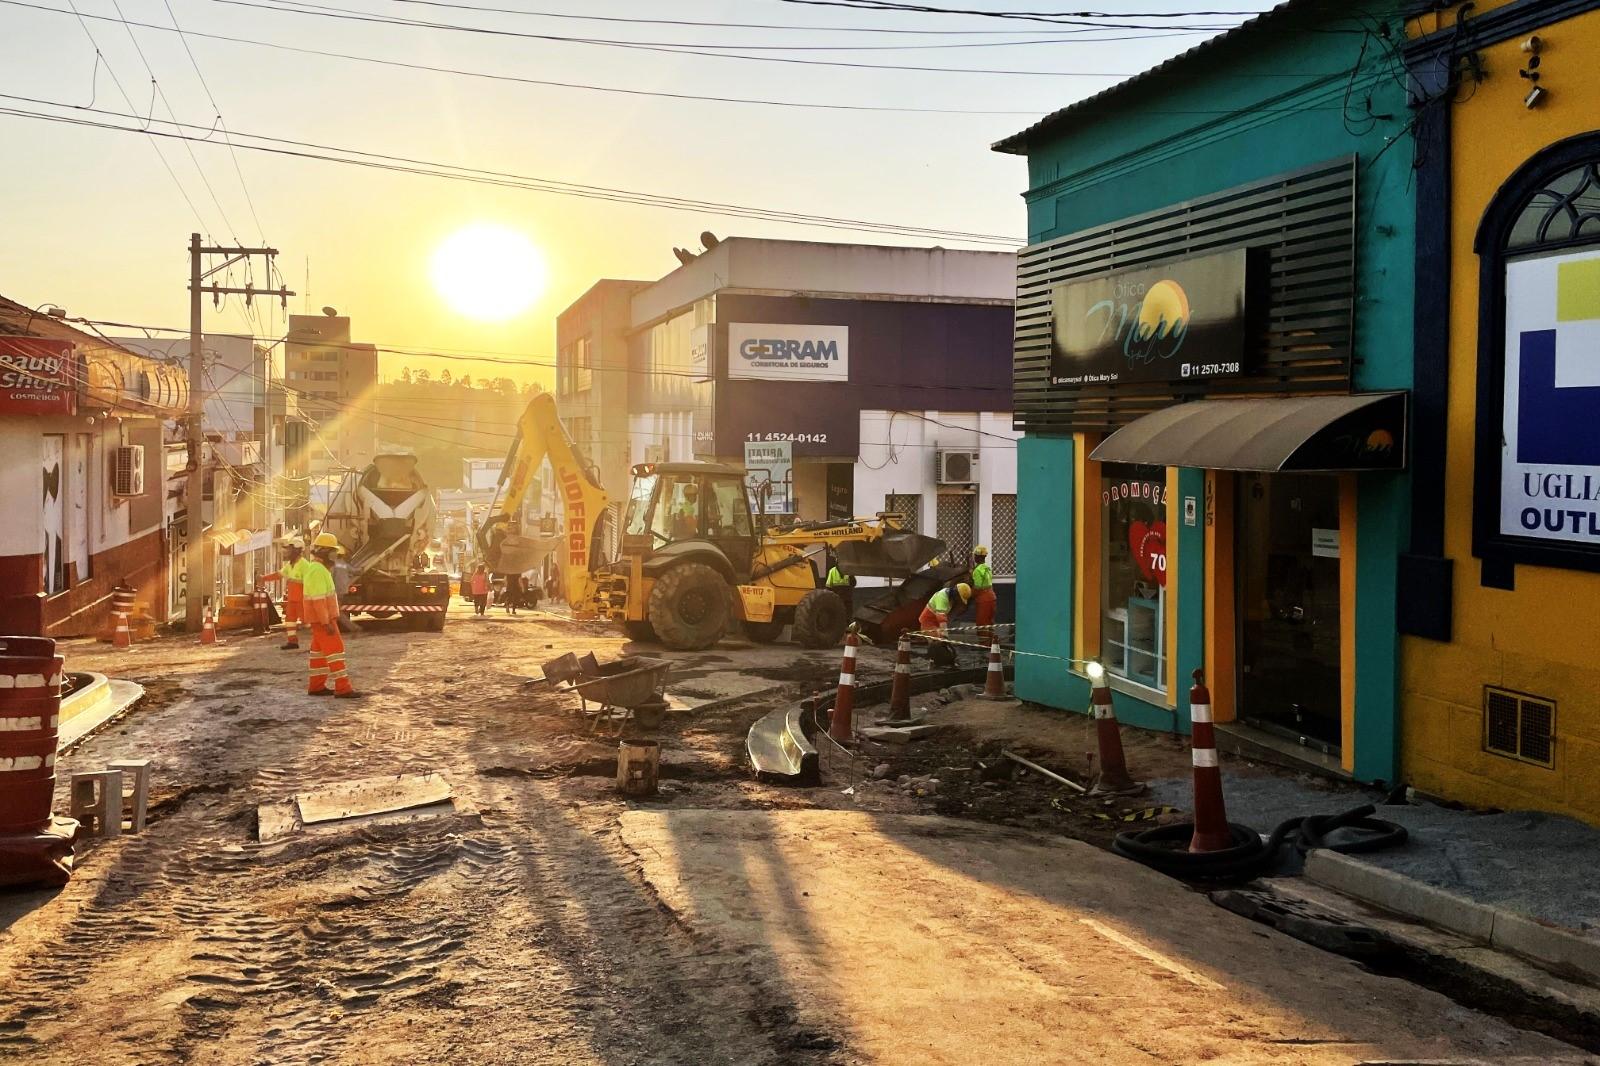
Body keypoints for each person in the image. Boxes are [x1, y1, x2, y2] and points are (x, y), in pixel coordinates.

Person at [303, 533, 356, 698]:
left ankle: (317, 686)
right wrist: (326, 622)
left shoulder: (318, 569)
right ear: (324, 552)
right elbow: (318, 600)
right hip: (323, 620)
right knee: (335, 650)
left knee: (318, 654)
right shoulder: (318, 571)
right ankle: (343, 688)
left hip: (320, 620)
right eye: (333, 551)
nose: (335, 555)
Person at [263, 537, 306, 650]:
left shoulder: (304, 565)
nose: (287, 552)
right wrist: (263, 578)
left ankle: (318, 644)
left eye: (289, 550)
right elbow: (279, 575)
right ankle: (292, 642)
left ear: (297, 550)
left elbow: (310, 582)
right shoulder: (290, 565)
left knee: (309, 622)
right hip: (292, 599)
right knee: (290, 621)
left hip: (303, 599)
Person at [970, 545, 997, 637]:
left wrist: (968, 595)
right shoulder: (987, 568)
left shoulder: (977, 571)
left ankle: (983, 645)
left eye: (975, 556)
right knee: (990, 621)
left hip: (983, 599)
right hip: (992, 597)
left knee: (982, 622)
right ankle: (991, 643)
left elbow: (977, 588)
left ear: (977, 557)